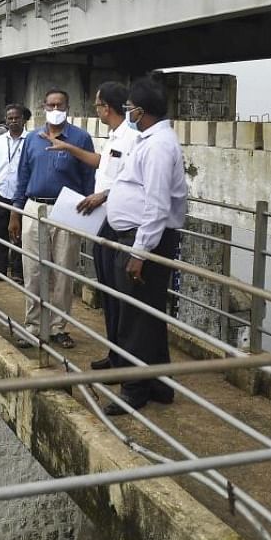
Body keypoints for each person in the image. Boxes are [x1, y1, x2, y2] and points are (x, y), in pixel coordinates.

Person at [99, 77, 186, 415]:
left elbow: (157, 205)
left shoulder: (159, 147)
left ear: (141, 111)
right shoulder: (150, 140)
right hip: (137, 237)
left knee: (135, 317)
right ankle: (159, 384)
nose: (128, 113)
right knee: (148, 316)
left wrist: (139, 253)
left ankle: (134, 390)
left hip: (144, 241)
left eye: (130, 108)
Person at [43, 81, 140, 370]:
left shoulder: (132, 139)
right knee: (108, 291)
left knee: (120, 295)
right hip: (106, 222)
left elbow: (133, 181)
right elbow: (102, 165)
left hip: (121, 223)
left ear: (106, 107)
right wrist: (69, 148)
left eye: (97, 104)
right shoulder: (114, 137)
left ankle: (124, 360)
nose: (96, 109)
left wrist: (103, 195)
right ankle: (114, 353)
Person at [7, 88, 95, 349]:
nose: (55, 109)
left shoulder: (81, 138)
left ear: (68, 108)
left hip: (67, 210)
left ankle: (58, 327)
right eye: (51, 105)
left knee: (63, 271)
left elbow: (89, 177)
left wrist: (88, 211)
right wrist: (15, 212)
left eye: (60, 105)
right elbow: (23, 176)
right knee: (32, 270)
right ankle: (33, 326)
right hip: (35, 209)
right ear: (43, 107)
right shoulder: (33, 138)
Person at [0, 104, 31, 283]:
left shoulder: (30, 140)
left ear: (24, 119)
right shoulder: (1, 140)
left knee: (19, 235)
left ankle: (18, 273)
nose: (13, 121)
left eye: (16, 118)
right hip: (1, 191)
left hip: (22, 194)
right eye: (9, 118)